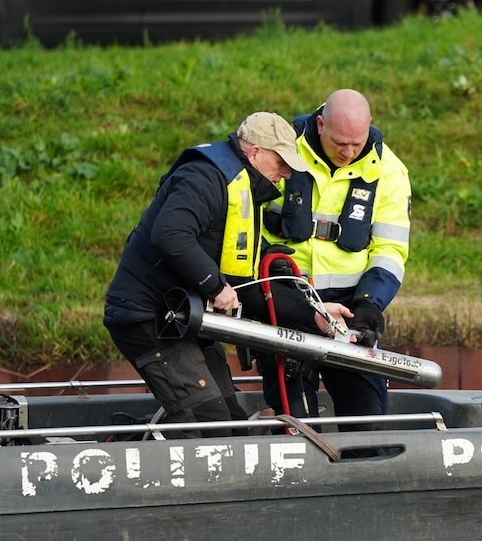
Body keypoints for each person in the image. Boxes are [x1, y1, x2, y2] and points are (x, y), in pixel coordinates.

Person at [103, 111, 348, 438]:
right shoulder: (205, 178)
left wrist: (312, 310)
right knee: (209, 422)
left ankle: (134, 439)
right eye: (282, 163)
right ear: (255, 153)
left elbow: (248, 285)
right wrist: (215, 286)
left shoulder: (243, 188)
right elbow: (170, 234)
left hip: (185, 318)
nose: (287, 174)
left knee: (229, 418)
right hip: (148, 317)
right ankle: (122, 445)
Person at [258, 89, 412, 428]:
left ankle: (364, 473)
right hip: (288, 300)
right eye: (340, 142)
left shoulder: (389, 171)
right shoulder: (282, 152)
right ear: (320, 123)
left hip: (350, 309)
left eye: (356, 144)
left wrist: (370, 307)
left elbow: (390, 250)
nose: (348, 152)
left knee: (367, 414)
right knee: (295, 419)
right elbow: (248, 227)